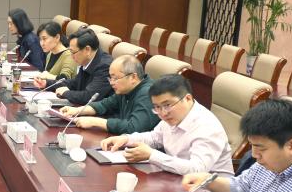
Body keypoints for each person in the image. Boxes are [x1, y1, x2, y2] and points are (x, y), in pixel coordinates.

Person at [100, 74, 233, 176]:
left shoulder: (206, 126)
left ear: (187, 98)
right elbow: (155, 137)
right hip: (176, 179)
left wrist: (152, 155)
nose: (163, 113)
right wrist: (126, 139)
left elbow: (197, 170)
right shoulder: (172, 116)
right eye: (157, 107)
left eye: (167, 105)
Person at [59, 54, 159, 135]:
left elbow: (134, 128)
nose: (111, 83)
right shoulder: (126, 89)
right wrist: (77, 110)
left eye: (115, 78)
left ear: (133, 77)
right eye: (110, 78)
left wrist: (96, 122)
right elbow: (104, 105)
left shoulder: (148, 93)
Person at [50, 29, 113, 105]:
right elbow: (75, 83)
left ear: (87, 50)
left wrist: (66, 93)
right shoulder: (87, 60)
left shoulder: (105, 66)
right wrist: (47, 83)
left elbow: (89, 97)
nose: (71, 56)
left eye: (73, 52)